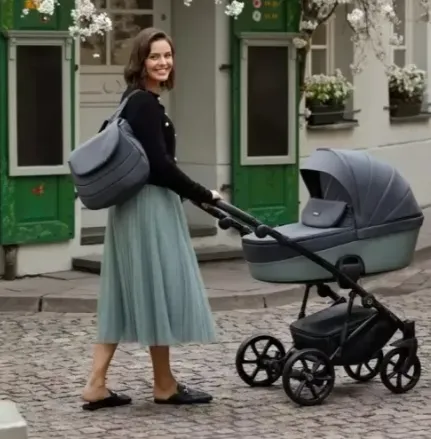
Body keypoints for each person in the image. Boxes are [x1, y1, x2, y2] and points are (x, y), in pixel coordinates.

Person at [81, 27, 221, 411]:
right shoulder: (144, 104)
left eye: (167, 55)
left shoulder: (132, 100)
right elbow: (160, 167)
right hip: (149, 208)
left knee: (126, 292)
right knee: (157, 287)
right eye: (155, 56)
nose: (163, 62)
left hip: (131, 207)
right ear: (141, 61)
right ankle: (162, 384)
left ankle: (100, 384)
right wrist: (203, 193)